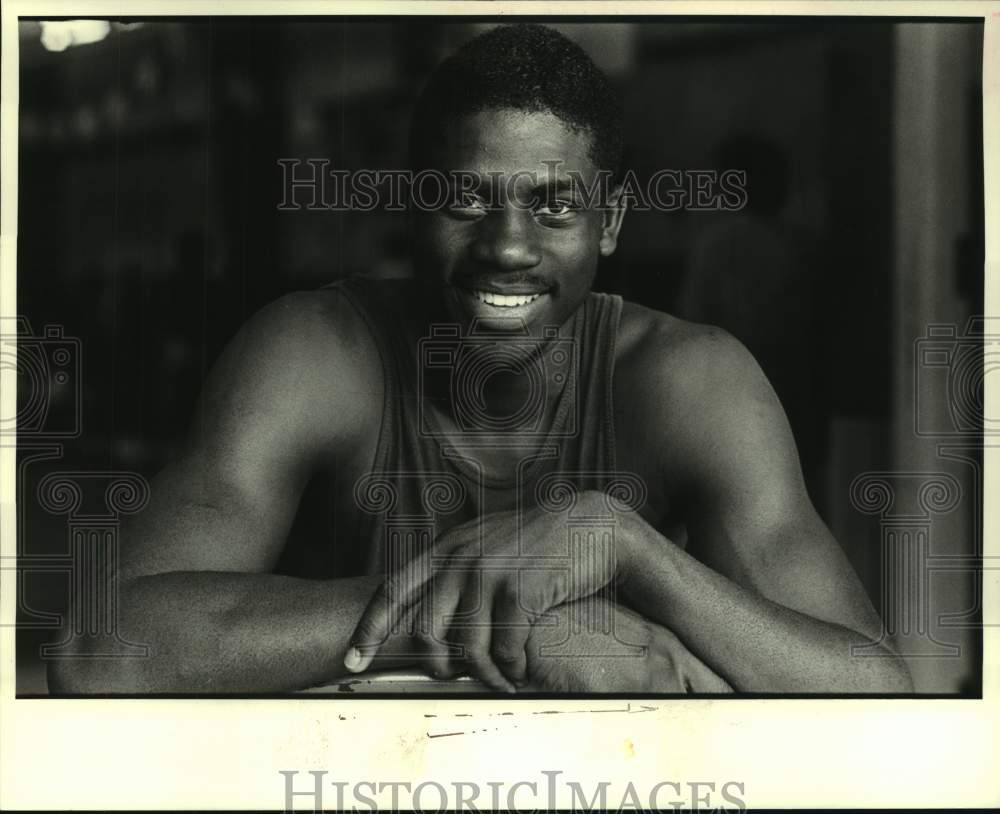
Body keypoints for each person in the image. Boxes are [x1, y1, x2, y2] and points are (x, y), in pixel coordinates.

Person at [49, 24, 911, 695]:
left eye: (554, 206)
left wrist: (626, 547)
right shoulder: (313, 353)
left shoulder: (690, 383)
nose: (507, 246)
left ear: (609, 221)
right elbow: (100, 650)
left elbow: (875, 690)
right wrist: (511, 619)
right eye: (465, 197)